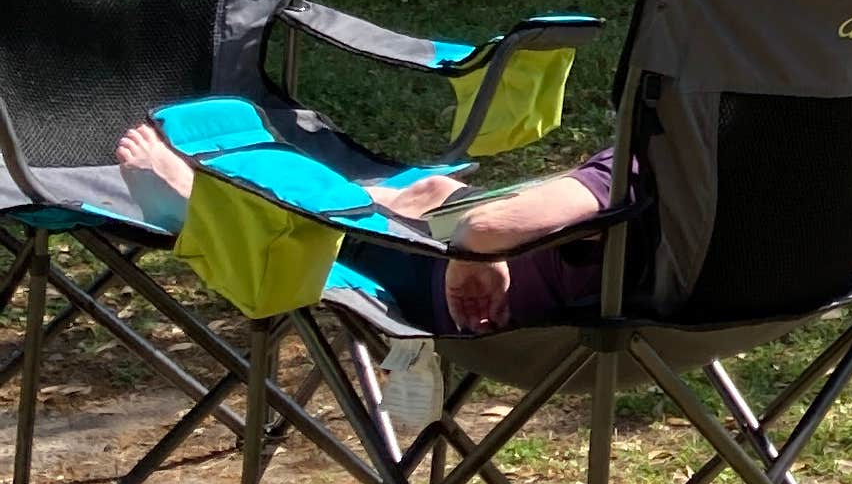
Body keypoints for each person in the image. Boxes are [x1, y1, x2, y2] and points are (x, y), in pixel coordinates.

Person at [117, 122, 622, 337]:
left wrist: (473, 250)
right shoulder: (697, 197)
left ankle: (192, 202)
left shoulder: (645, 165)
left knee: (337, 226)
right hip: (654, 331)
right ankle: (408, 198)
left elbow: (490, 229)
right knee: (437, 197)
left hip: (464, 299)